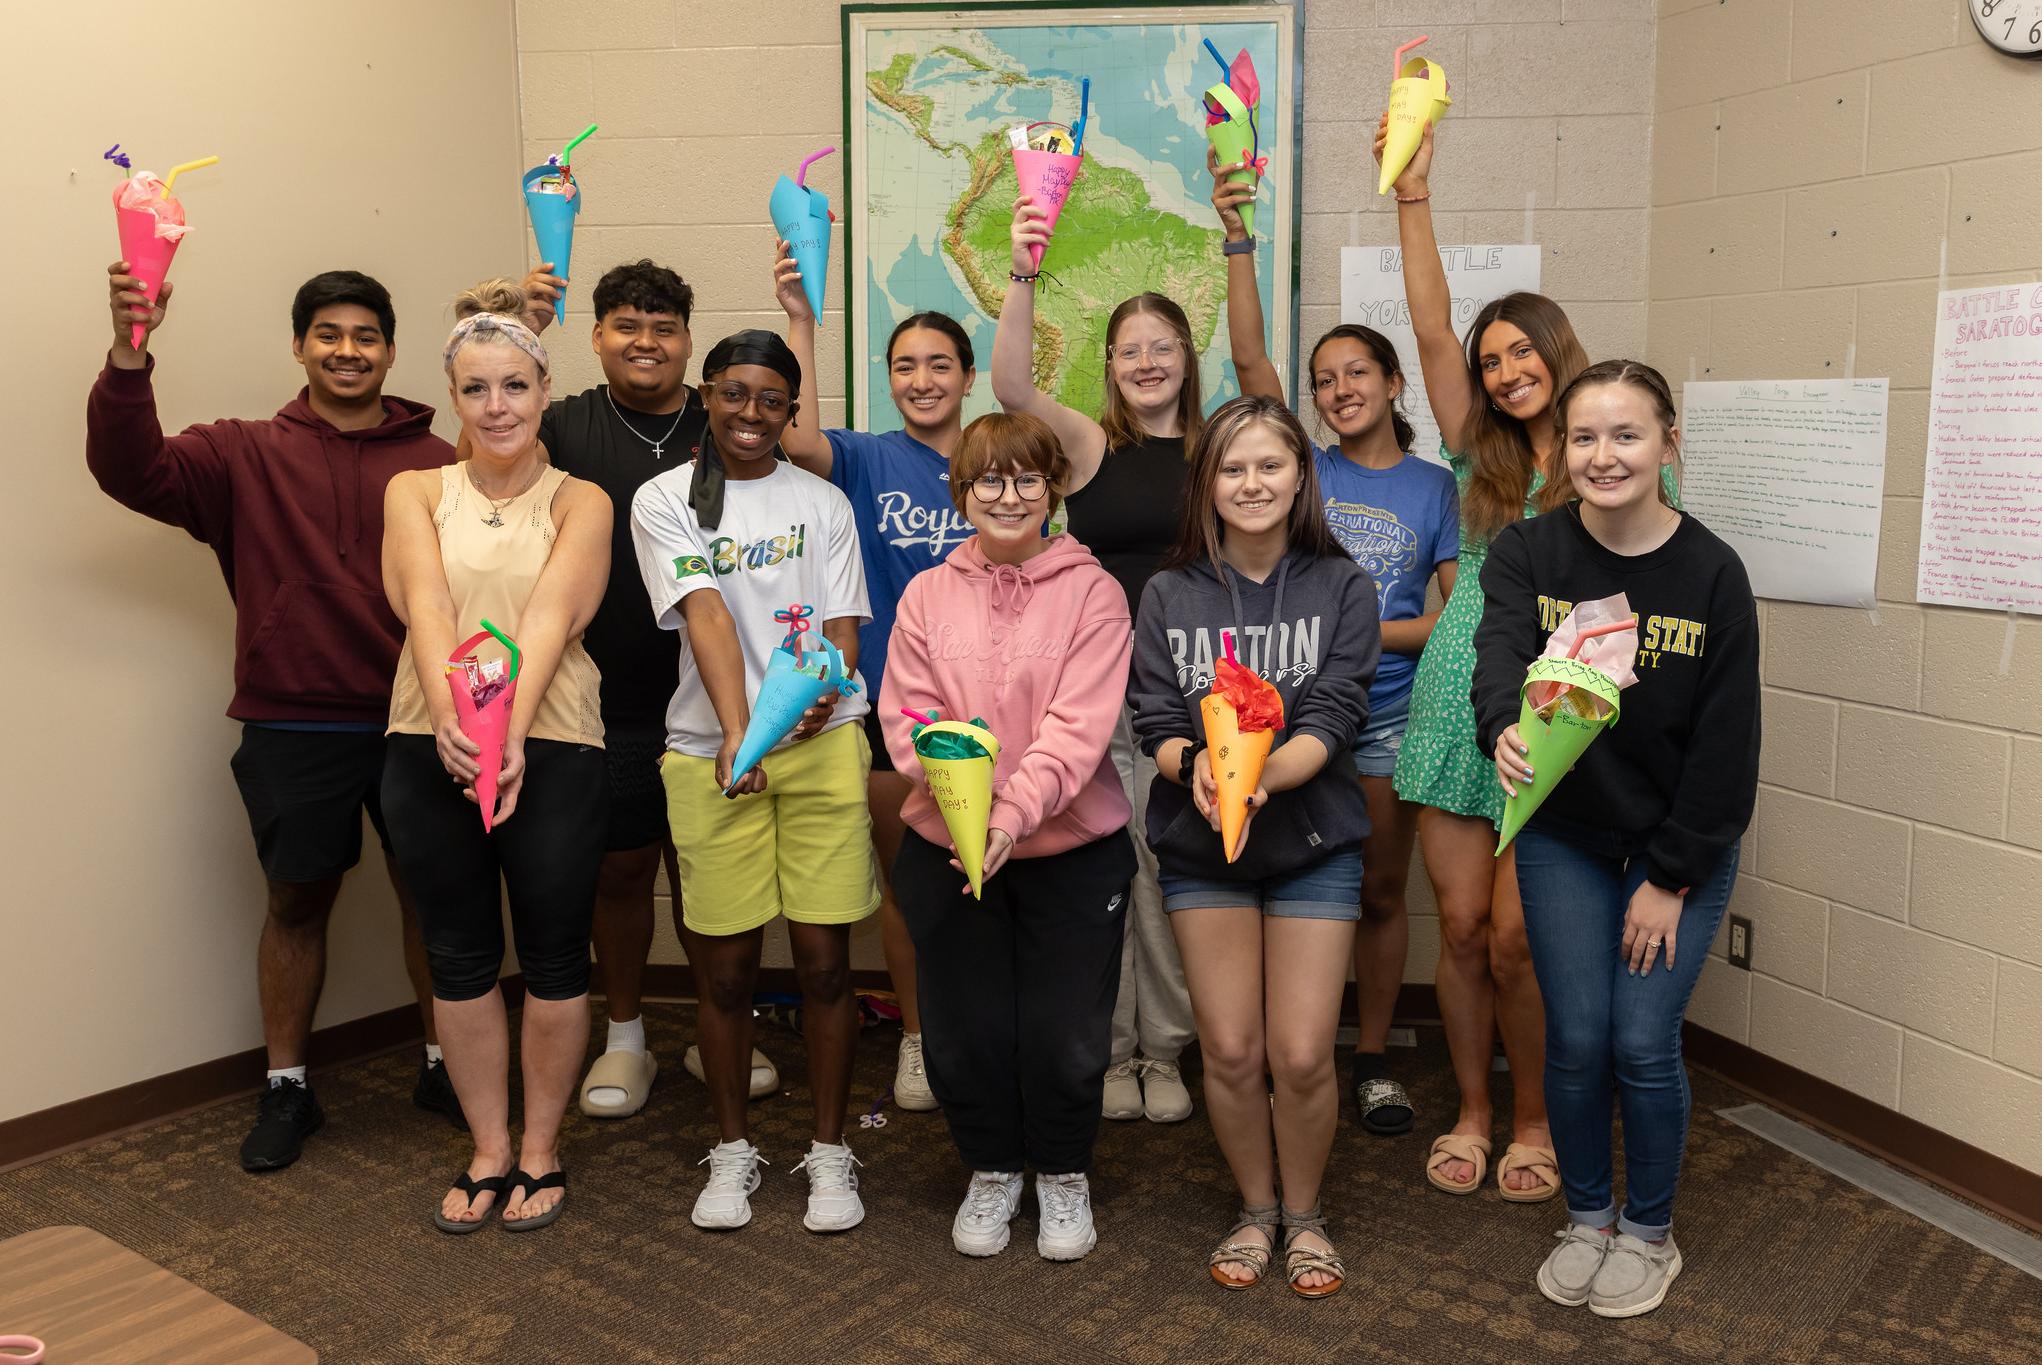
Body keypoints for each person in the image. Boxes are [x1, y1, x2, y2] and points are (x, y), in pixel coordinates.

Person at [85, 262, 457, 1173]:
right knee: (296, 900)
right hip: (295, 720)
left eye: (366, 335)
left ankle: (448, 1064)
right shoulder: (239, 452)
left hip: (423, 716)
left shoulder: (440, 463)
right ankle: (288, 1084)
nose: (347, 349)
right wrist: (131, 353)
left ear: (390, 352)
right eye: (328, 333)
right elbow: (129, 469)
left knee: (436, 896)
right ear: (299, 347)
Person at [1475, 361, 1758, 1317]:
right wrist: (1500, 728)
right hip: (1565, 834)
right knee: (1580, 1033)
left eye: (1627, 435)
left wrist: (1670, 877)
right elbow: (1500, 660)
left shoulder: (1713, 572)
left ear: (1668, 444)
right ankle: (1587, 1217)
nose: (1605, 456)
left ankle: (1648, 1231)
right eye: (1585, 437)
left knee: (1642, 1040)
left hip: (1676, 845)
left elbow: (1728, 751)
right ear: (1562, 451)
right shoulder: (1527, 552)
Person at [1210, 151, 1459, 1137]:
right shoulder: (1299, 468)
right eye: (1322, 380)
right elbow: (1245, 367)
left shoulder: (1433, 487)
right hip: (1286, 712)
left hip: (1388, 719)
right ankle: (1288, 1050)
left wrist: (1349, 640)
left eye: (1356, 372)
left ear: (1394, 382)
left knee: (1378, 889)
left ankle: (1368, 1058)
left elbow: (1443, 621)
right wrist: (1236, 236)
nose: (1337, 388)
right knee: (1285, 876)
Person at [1379, 116, 1591, 1201]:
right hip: (1452, 702)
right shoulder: (1482, 454)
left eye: (1520, 354)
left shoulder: (1610, 445)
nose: (1503, 372)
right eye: (1490, 360)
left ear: (1558, 353)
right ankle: (1469, 1111)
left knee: (1517, 940)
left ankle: (1534, 1121)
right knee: (1457, 930)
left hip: (1554, 719)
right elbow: (1425, 333)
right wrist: (1412, 196)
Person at [1129, 396, 1380, 1298]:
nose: (1252, 483)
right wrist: (1194, 763)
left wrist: (1256, 779)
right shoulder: (1170, 591)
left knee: (1304, 1050)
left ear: (1300, 476)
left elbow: (1335, 714)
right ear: (1207, 485)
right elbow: (1153, 715)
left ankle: (1305, 1213)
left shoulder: (1343, 585)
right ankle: (1257, 1207)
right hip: (1205, 849)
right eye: (1232, 468)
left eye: (1269, 465)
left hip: (1312, 840)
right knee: (1231, 1050)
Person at [517, 258, 780, 1119]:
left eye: (664, 327)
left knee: (713, 874)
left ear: (687, 344)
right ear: (595, 337)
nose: (645, 341)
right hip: (609, 703)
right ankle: (625, 1036)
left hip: (720, 705)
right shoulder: (562, 424)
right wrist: (519, 328)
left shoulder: (729, 426)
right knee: (623, 873)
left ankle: (721, 1035)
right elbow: (476, 465)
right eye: (626, 325)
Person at [631, 330, 878, 1234]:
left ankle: (828, 1150)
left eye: (771, 398)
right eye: (734, 393)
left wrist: (817, 701)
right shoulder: (663, 500)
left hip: (821, 747)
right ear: (706, 395)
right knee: (727, 972)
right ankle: (732, 1149)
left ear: (792, 411)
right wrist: (744, 736)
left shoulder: (823, 501)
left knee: (823, 964)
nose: (750, 413)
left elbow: (845, 633)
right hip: (710, 751)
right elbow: (704, 611)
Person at [380, 281, 611, 1232]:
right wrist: (453, 721)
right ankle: (486, 1146)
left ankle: (541, 1147)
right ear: (453, 396)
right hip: (425, 738)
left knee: (555, 952)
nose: (498, 406)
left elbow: (554, 615)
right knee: (460, 955)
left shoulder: (582, 499)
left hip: (550, 741)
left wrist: (503, 736)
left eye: (515, 385)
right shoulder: (414, 491)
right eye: (476, 389)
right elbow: (427, 606)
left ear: (545, 387)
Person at [879, 412, 1136, 1262]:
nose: (1009, 495)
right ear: (961, 493)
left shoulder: (1093, 592)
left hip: (1070, 851)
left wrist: (1008, 813)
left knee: (1065, 1031)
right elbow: (908, 716)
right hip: (947, 850)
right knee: (966, 1029)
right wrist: (967, 814)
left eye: (1028, 479)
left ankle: (1062, 1170)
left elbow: (1077, 728)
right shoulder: (925, 594)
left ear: (1053, 490)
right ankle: (991, 1167)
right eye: (989, 479)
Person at [991, 197, 1199, 1126]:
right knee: (1100, 865)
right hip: (1095, 688)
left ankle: (1166, 1049)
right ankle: (1110, 1050)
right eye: (1129, 349)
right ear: (1109, 367)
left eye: (1163, 346)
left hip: (1189, 692)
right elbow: (1009, 389)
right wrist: (1024, 271)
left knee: (1169, 863)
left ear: (1188, 360)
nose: (1146, 361)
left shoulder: (1218, 450)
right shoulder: (1088, 447)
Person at [773, 240, 982, 1112]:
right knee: (913, 881)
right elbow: (794, 438)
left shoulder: (1000, 460)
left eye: (939, 364)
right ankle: (920, 1038)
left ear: (969, 376)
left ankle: (984, 1032)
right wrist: (799, 320)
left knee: (994, 876)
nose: (922, 379)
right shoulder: (863, 457)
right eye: (905, 366)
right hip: (893, 707)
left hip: (991, 704)